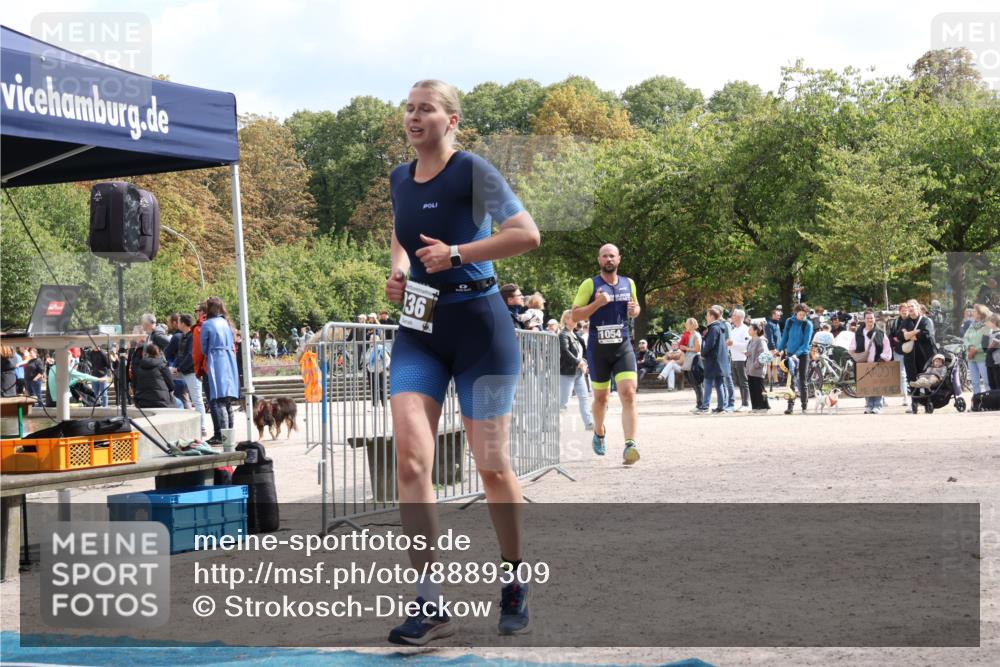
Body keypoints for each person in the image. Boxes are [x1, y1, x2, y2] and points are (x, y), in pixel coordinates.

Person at [383, 79, 540, 643]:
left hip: (482, 330)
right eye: (409, 108)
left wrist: (457, 254)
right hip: (420, 332)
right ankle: (430, 604)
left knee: (492, 465)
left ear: (452, 122)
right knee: (410, 462)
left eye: (426, 109)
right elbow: (401, 235)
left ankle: (515, 578)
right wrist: (401, 270)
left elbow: (527, 234)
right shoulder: (400, 179)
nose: (414, 116)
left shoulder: (473, 171)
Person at [571, 243, 641, 464]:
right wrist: (597, 304)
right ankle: (599, 432)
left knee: (629, 393)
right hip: (598, 350)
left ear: (619, 259)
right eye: (604, 256)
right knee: (601, 399)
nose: (608, 259)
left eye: (612, 256)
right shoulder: (590, 284)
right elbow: (575, 316)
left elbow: (635, 307)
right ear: (599, 260)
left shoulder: (629, 283)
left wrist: (634, 310)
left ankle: (630, 445)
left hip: (623, 347)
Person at [201, 297, 240, 445]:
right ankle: (230, 433)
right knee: (227, 400)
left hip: (216, 360)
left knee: (217, 399)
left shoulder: (207, 324)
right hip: (229, 359)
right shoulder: (227, 323)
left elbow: (204, 348)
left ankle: (223, 436)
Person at [849, 310, 893, 414]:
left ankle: (877, 405)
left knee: (877, 384)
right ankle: (868, 405)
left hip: (877, 362)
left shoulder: (880, 333)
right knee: (866, 385)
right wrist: (856, 356)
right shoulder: (858, 333)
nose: (870, 320)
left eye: (871, 318)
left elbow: (887, 347)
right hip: (864, 364)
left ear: (874, 319)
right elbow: (851, 348)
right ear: (864, 319)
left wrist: (883, 358)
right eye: (868, 318)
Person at [558, 310, 594, 430]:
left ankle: (588, 423)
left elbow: (583, 351)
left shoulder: (576, 335)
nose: (576, 320)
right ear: (566, 320)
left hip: (578, 372)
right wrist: (578, 362)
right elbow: (565, 351)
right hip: (567, 372)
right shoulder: (563, 334)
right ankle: (555, 424)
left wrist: (584, 361)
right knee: (564, 402)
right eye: (573, 318)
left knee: (584, 397)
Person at [777, 303, 814, 414]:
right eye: (800, 314)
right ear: (796, 313)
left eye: (804, 314)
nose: (802, 316)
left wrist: (796, 355)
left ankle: (804, 406)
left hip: (802, 355)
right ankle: (790, 406)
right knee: (790, 381)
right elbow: (785, 337)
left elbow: (806, 344)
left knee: (802, 380)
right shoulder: (790, 321)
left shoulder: (808, 324)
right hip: (790, 353)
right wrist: (779, 349)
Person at [176, 313, 208, 437]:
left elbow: (191, 355)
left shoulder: (191, 336)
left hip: (191, 372)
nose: (177, 324)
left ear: (183, 323)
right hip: (185, 370)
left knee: (197, 399)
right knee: (196, 398)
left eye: (179, 322)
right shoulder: (184, 336)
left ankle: (202, 426)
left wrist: (179, 367)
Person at [696, 305, 730, 414]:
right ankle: (721, 407)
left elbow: (710, 344)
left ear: (711, 316)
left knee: (708, 383)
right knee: (719, 384)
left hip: (713, 360)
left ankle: (705, 406)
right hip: (719, 360)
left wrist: (703, 353)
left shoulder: (714, 328)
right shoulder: (719, 327)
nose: (706, 317)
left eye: (707, 315)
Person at [901, 299, 937, 385]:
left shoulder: (925, 321)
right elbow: (900, 336)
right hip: (910, 359)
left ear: (917, 307)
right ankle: (915, 399)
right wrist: (915, 332)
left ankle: (928, 398)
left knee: (927, 381)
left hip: (925, 356)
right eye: (908, 306)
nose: (910, 308)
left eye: (912, 306)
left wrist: (911, 335)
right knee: (913, 382)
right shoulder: (905, 322)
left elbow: (928, 335)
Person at [132, 344, 178, 408]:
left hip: (142, 401)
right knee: (180, 403)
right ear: (158, 353)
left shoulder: (139, 366)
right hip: (162, 401)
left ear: (146, 353)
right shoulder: (162, 365)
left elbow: (135, 384)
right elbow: (171, 385)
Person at [963, 304, 991, 396]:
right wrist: (969, 347)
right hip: (971, 358)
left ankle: (989, 402)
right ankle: (977, 402)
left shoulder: (987, 325)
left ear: (980, 313)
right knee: (975, 383)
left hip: (982, 357)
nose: (972, 313)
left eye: (974, 311)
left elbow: (986, 342)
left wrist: (974, 350)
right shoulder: (972, 325)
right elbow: (965, 337)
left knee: (987, 381)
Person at [888, 302, 911, 406]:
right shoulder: (896, 322)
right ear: (899, 312)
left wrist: (901, 338)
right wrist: (894, 341)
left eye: (906, 310)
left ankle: (916, 394)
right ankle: (905, 396)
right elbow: (892, 335)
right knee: (902, 374)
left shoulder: (912, 321)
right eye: (902, 310)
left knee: (912, 372)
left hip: (911, 350)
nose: (904, 312)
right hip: (898, 350)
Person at [745, 322, 771, 413]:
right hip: (750, 369)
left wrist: (756, 364)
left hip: (757, 369)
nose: (748, 330)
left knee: (759, 388)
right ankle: (755, 407)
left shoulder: (761, 341)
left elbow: (765, 355)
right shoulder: (751, 341)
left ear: (756, 331)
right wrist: (747, 354)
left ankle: (764, 406)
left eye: (750, 329)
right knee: (752, 388)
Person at [728, 309, 751, 411]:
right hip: (734, 358)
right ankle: (743, 402)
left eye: (734, 315)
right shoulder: (733, 330)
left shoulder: (745, 329)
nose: (732, 317)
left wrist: (732, 344)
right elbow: (731, 346)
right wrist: (728, 345)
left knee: (744, 381)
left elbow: (746, 346)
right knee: (738, 381)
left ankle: (746, 404)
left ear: (739, 317)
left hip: (742, 359)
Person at [678, 317, 703, 405]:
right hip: (689, 360)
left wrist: (686, 348)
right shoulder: (689, 335)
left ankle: (700, 403)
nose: (685, 325)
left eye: (687, 323)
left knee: (697, 382)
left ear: (692, 325)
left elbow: (697, 349)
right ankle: (699, 403)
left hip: (695, 359)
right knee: (692, 382)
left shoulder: (696, 335)